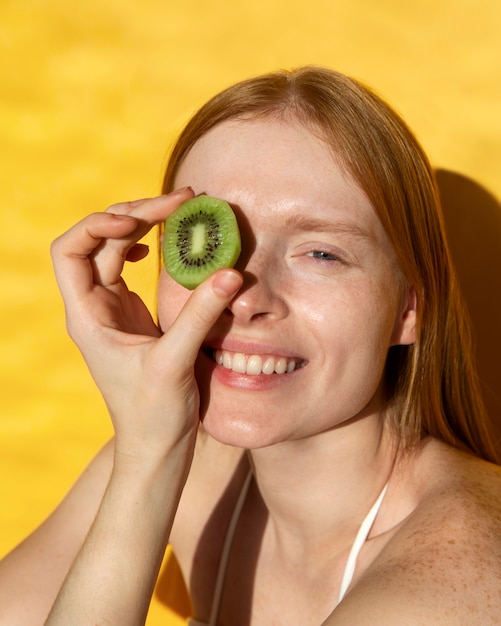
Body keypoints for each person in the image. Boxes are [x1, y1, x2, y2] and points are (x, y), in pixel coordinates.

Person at [0, 66, 500, 626]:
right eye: (214, 244)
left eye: (321, 254)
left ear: (409, 310)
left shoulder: (457, 583)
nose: (239, 297)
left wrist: (149, 458)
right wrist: (147, 451)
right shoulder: (191, 464)